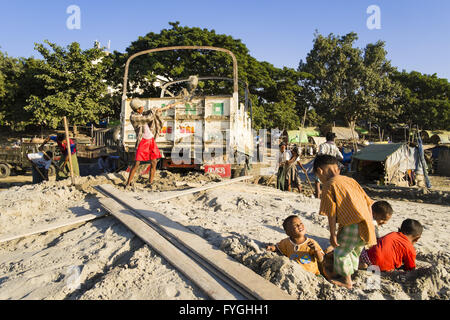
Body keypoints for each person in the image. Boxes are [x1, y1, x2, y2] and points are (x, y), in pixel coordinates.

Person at [314, 154, 376, 289]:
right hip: (366, 222)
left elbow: (331, 213)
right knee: (353, 251)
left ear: (320, 171)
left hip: (352, 224)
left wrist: (332, 234)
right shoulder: (350, 180)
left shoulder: (328, 185)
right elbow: (369, 203)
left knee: (341, 252)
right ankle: (350, 273)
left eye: (318, 177)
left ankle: (347, 281)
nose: (320, 179)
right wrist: (370, 223)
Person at [125, 98, 178, 188]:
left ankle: (150, 182)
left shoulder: (140, 113)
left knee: (154, 162)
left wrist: (164, 108)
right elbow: (149, 118)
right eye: (142, 107)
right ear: (137, 109)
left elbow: (149, 112)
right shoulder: (134, 117)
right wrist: (153, 111)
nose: (143, 108)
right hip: (142, 142)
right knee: (136, 163)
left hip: (150, 140)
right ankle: (128, 183)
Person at [314, 132, 344, 198]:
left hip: (324, 166)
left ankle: (317, 197)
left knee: (318, 182)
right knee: (332, 181)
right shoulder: (335, 147)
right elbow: (341, 157)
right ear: (333, 139)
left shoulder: (323, 145)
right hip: (333, 166)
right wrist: (333, 159)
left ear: (326, 138)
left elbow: (320, 153)